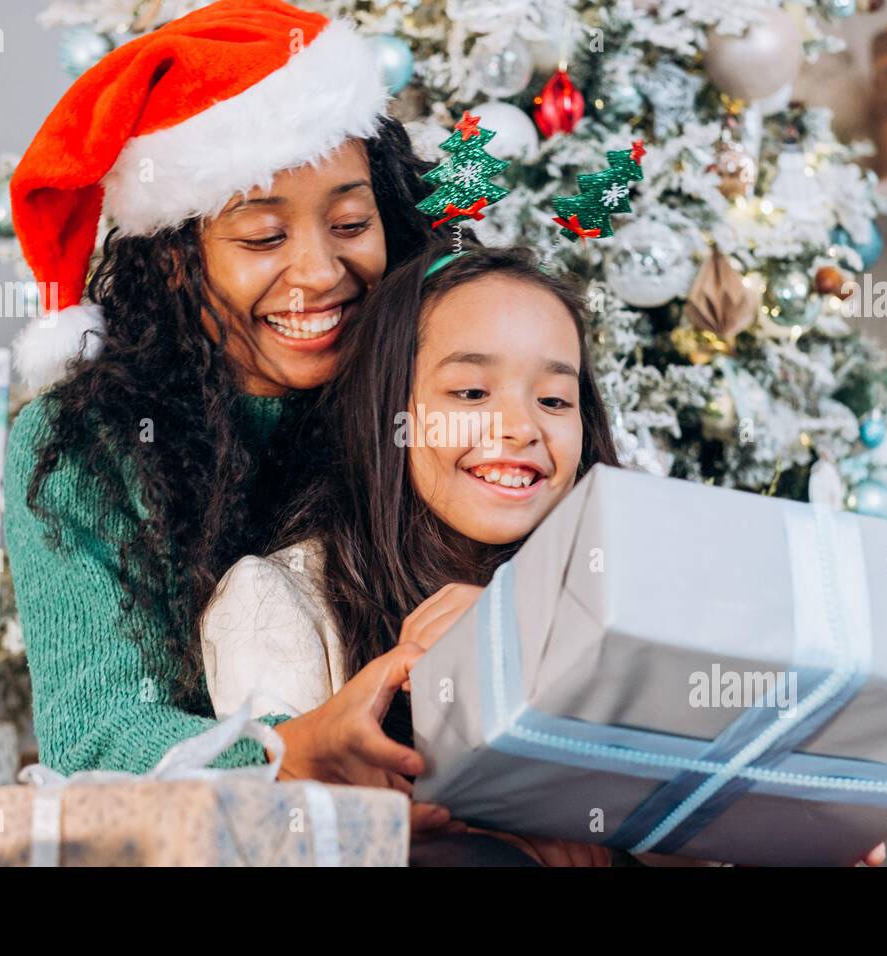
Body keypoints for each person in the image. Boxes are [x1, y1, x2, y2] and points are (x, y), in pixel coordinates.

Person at [3, 0, 461, 843]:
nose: (321, 271)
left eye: (352, 223)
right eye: (262, 237)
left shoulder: (435, 385)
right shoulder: (87, 446)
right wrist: (297, 752)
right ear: (175, 260)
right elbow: (98, 738)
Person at [200, 244, 620, 865]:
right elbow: (279, 836)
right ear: (389, 411)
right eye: (471, 392)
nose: (522, 428)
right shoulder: (277, 601)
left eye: (555, 400)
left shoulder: (614, 599)